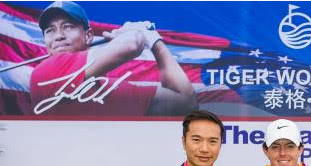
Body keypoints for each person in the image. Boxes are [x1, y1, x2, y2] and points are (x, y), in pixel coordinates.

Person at [31, 1, 196, 115]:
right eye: (50, 30)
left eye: (68, 27)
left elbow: (186, 102)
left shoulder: (114, 89)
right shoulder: (45, 72)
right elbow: (132, 44)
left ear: (88, 36)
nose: (58, 36)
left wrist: (154, 42)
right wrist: (133, 33)